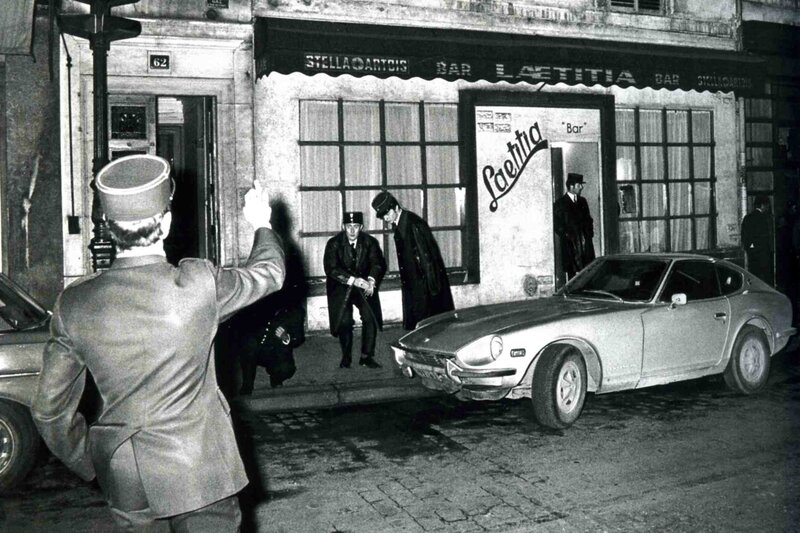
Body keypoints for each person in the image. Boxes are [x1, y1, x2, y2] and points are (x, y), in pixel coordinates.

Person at [31, 154, 285, 532]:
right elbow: (270, 273)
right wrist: (262, 224)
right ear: (165, 223)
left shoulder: (75, 303)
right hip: (198, 467)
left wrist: (90, 458)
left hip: (122, 467)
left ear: (108, 226)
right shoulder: (197, 284)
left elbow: (49, 411)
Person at [371, 191, 454, 330]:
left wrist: (432, 291)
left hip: (423, 286)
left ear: (396, 208)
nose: (386, 218)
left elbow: (428, 260)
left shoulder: (414, 224)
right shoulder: (401, 223)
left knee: (427, 325)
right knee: (420, 327)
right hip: (414, 283)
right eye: (383, 216)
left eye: (387, 214)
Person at [323, 211, 386, 368]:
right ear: (343, 226)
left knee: (369, 316)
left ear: (361, 227)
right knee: (344, 321)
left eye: (355, 226)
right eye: (349, 226)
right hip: (340, 287)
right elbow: (331, 269)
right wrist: (353, 280)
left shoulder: (370, 242)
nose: (352, 231)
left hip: (363, 285)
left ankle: (366, 356)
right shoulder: (334, 243)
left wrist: (371, 280)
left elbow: (377, 263)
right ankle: (346, 356)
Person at [553, 172, 596, 281]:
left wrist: (588, 235)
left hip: (585, 245)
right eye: (579, 185)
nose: (581, 187)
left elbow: (588, 220)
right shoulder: (560, 204)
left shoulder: (583, 201)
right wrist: (568, 236)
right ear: (571, 187)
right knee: (573, 276)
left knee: (587, 273)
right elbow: (557, 225)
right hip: (570, 246)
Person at [741, 195, 774, 284]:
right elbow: (764, 238)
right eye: (767, 205)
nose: (768, 208)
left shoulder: (747, 218)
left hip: (752, 256)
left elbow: (745, 237)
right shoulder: (764, 219)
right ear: (763, 205)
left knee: (754, 278)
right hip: (763, 255)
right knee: (766, 280)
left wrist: (751, 248)